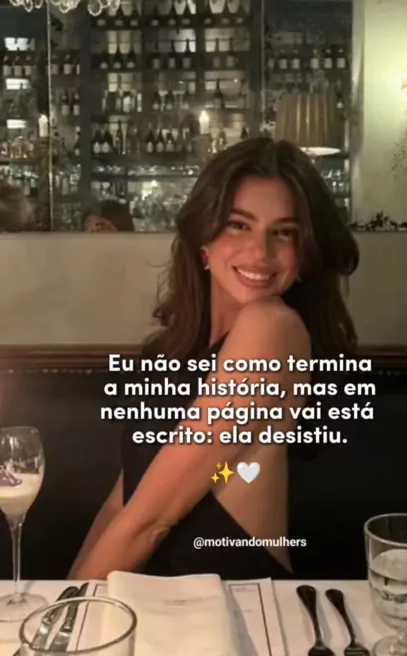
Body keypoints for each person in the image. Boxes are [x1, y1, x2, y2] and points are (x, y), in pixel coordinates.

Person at [70, 138, 359, 580]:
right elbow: (121, 505)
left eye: (284, 232)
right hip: (153, 598)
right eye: (239, 225)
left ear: (304, 254)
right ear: (202, 241)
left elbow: (151, 521)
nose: (260, 253)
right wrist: (67, 598)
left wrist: (71, 614)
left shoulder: (271, 328)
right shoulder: (174, 351)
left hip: (232, 605)